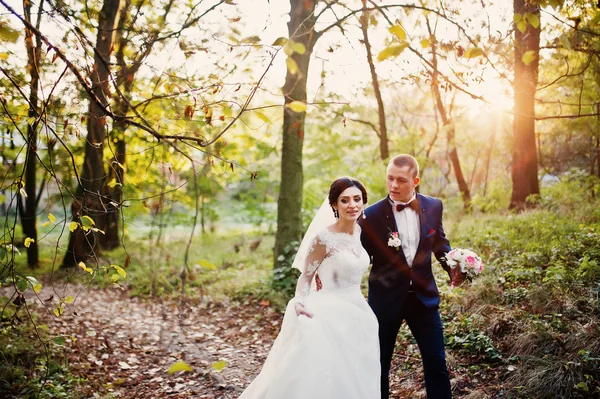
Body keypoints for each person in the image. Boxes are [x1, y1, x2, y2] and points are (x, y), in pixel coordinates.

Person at [239, 177, 380, 399]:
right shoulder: (323, 238)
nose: (352, 205)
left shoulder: (360, 233)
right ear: (334, 205)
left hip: (357, 312)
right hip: (326, 312)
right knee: (323, 374)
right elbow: (306, 277)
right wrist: (300, 302)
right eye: (345, 200)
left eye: (357, 199)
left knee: (354, 373)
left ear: (363, 202)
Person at [360, 154, 459, 399]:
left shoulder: (434, 206)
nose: (394, 185)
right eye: (390, 179)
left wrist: (453, 266)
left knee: (436, 362)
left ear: (415, 180)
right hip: (384, 301)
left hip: (424, 300)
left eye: (401, 180)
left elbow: (439, 243)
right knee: (379, 365)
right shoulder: (370, 216)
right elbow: (358, 256)